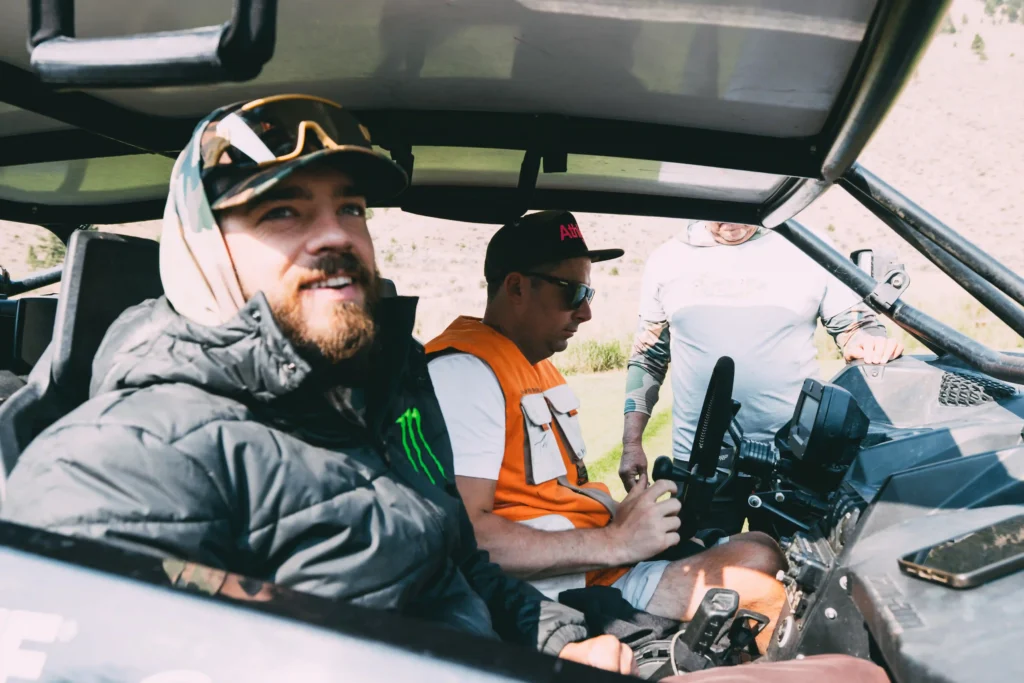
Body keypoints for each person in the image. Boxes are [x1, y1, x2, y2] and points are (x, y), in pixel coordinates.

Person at [0, 96, 633, 674]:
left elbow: (454, 558)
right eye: (282, 211)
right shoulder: (120, 458)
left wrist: (557, 640)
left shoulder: (372, 396)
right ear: (201, 253)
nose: (336, 234)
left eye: (350, 207)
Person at [424, 211, 786, 653]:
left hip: (604, 561)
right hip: (566, 587)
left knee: (763, 546)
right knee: (763, 591)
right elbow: (468, 537)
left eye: (588, 292)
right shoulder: (466, 372)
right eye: (572, 292)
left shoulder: (534, 367)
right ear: (517, 287)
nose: (587, 311)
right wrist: (616, 541)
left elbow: (557, 492)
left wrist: (628, 512)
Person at [618, 221, 904, 490]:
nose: (731, 221)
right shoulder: (667, 258)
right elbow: (648, 357)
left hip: (794, 455)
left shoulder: (807, 246)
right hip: (701, 459)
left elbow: (854, 327)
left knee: (793, 545)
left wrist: (869, 343)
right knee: (700, 545)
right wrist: (631, 444)